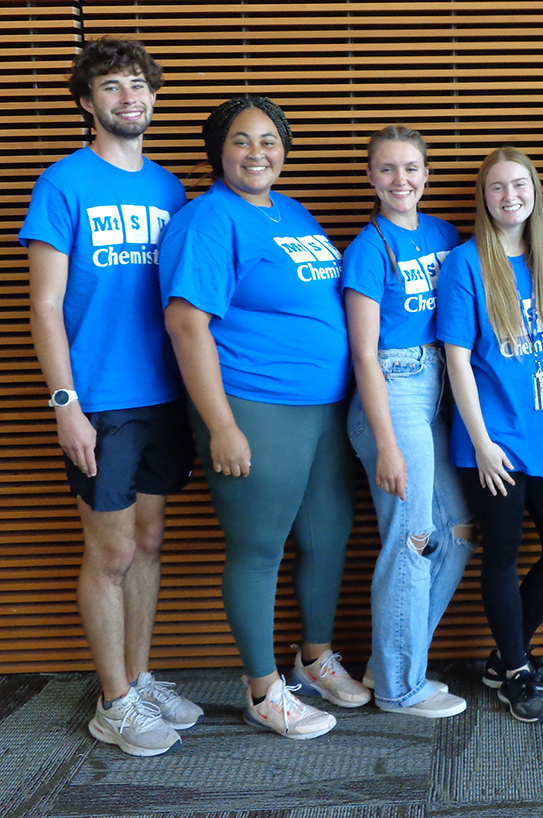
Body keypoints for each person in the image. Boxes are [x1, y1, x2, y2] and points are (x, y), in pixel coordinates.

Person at [160, 95, 367, 740]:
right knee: (259, 550)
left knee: (328, 536)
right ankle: (261, 688)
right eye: (243, 141)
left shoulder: (291, 212)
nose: (259, 153)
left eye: (270, 140)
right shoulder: (206, 221)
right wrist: (221, 425)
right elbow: (187, 324)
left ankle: (313, 658)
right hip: (256, 404)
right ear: (219, 150)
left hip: (325, 407)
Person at [20, 37, 200, 758]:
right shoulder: (62, 183)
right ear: (88, 102)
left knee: (150, 543)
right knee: (113, 552)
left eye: (139, 86)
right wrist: (65, 402)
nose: (130, 98)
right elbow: (43, 303)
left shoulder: (170, 190)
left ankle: (139, 675)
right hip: (99, 400)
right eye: (113, 88)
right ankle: (113, 702)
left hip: (165, 396)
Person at [437, 147, 543, 724]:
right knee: (501, 555)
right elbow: (455, 359)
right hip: (494, 439)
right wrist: (480, 441)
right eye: (497, 187)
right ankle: (516, 670)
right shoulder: (465, 263)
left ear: (534, 191)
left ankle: (506, 655)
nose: (509, 197)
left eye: (518, 185)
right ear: (484, 196)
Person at [344, 125, 474, 719]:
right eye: (388, 170)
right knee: (411, 540)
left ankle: (393, 658)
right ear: (371, 178)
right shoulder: (368, 249)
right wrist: (387, 445)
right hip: (394, 392)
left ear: (427, 174)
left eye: (411, 169)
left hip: (439, 391)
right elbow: (364, 354)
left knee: (457, 534)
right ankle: (399, 687)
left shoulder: (446, 234)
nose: (402, 181)